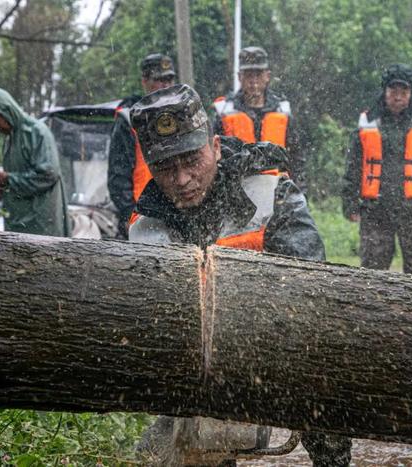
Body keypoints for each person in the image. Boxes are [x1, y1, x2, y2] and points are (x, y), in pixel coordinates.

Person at [128, 84, 352, 467]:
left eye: (192, 160)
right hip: (194, 365)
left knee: (322, 370)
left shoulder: (272, 194)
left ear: (215, 146)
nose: (182, 179)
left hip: (276, 350)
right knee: (150, 453)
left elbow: (314, 294)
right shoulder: (143, 226)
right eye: (167, 168)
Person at [342, 64, 412, 274]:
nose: (398, 97)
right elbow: (353, 167)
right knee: (372, 274)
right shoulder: (367, 123)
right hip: (375, 210)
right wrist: (350, 203)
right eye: (393, 91)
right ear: (384, 92)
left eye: (404, 92)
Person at [0, 86, 69, 237]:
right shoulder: (9, 140)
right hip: (17, 224)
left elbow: (48, 175)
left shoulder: (37, 132)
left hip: (42, 226)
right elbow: (18, 182)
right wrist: (2, 188)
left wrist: (9, 179)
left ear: (6, 109)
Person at [212, 46, 307, 192]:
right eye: (249, 75)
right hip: (237, 195)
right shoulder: (224, 113)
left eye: (258, 75)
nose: (253, 81)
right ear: (239, 77)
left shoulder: (283, 112)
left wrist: (301, 192)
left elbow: (297, 158)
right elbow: (214, 158)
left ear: (267, 76)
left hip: (278, 193)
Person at [107, 53, 177, 238]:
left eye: (169, 79)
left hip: (177, 213)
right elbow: (118, 176)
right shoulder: (129, 120)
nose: (166, 85)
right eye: (159, 80)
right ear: (144, 81)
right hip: (141, 214)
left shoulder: (182, 115)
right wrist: (129, 216)